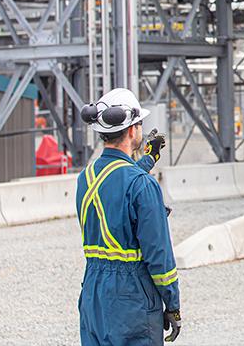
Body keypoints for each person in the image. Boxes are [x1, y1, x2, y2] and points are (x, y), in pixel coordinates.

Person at [76, 88, 181, 345]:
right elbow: (159, 256)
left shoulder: (86, 178)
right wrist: (173, 304)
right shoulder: (142, 185)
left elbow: (115, 180)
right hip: (131, 298)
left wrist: (148, 160)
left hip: (94, 293)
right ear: (133, 129)